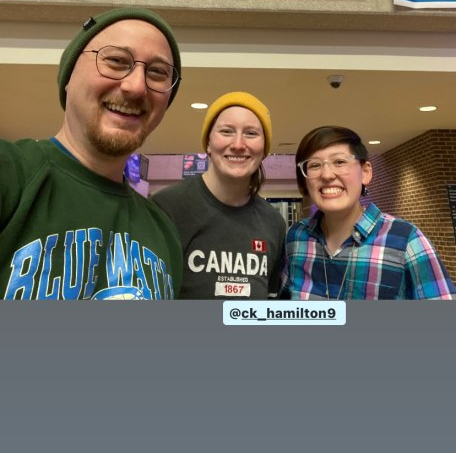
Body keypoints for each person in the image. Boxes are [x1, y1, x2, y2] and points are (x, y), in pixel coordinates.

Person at [0, 7, 183, 301]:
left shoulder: (164, 234)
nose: (136, 86)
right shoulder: (11, 174)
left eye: (158, 73)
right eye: (115, 61)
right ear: (69, 75)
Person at [280, 125, 456, 300]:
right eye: (315, 165)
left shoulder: (405, 239)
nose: (326, 175)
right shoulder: (296, 237)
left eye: (339, 162)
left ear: (365, 172)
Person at [153, 92, 286, 299]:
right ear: (208, 143)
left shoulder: (273, 222)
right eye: (226, 131)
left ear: (264, 149)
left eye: (251, 133)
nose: (238, 144)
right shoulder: (167, 208)